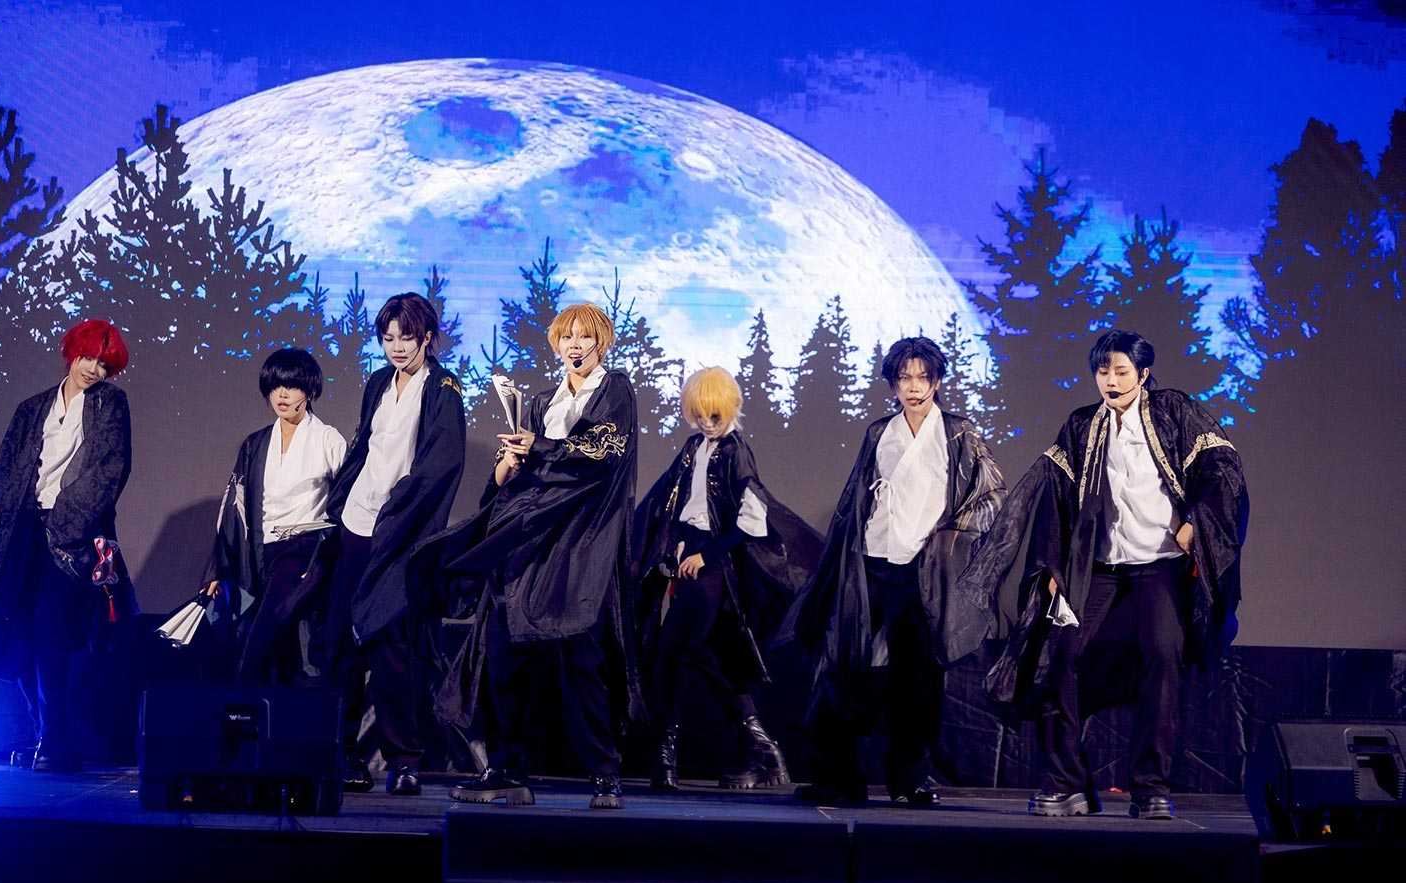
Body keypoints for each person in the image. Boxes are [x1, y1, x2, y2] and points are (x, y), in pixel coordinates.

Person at [961, 330, 1248, 820]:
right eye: (1103, 371)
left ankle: (1150, 787)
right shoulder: (1082, 426)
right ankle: (1066, 782)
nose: (1111, 381)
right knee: (1060, 655)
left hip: (1160, 564)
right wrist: (1053, 567)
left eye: (1121, 371)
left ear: (1143, 374)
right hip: (1098, 568)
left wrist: (1196, 522)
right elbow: (1053, 499)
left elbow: (1223, 467)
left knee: (1162, 655)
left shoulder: (1174, 412)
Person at [415, 303, 642, 809]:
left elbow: (600, 454)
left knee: (581, 658)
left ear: (602, 342)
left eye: (586, 337)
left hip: (579, 540)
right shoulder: (541, 402)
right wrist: (510, 463)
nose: (576, 346)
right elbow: (511, 476)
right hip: (527, 537)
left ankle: (605, 773)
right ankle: (506, 768)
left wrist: (537, 446)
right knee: (503, 652)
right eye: (567, 337)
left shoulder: (615, 390)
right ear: (556, 344)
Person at [780, 337, 1004, 805]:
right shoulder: (879, 432)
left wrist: (949, 537)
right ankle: (840, 778)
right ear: (893, 384)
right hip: (872, 561)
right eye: (905, 378)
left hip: (924, 570)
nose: (914, 387)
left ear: (937, 382)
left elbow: (991, 495)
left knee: (918, 677)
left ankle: (910, 779)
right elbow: (855, 499)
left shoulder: (958, 433)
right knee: (848, 668)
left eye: (923, 377)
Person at [0, 318, 137, 772]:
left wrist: (69, 523)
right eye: (87, 357)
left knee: (55, 633)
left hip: (73, 535)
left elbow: (110, 470)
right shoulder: (32, 408)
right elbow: (5, 472)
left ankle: (56, 740)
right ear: (71, 353)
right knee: (16, 631)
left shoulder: (111, 404)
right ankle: (42, 734)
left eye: (103, 363)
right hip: (24, 530)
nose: (93, 369)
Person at [632, 366, 821, 791]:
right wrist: (675, 548)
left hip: (716, 566)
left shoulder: (736, 451)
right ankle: (761, 751)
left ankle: (670, 757)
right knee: (705, 656)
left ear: (730, 408)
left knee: (675, 652)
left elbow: (751, 520)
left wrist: (706, 554)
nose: (706, 422)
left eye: (713, 415)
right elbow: (675, 504)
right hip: (690, 558)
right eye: (699, 414)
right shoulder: (693, 447)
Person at [322, 293, 466, 795]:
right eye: (388, 338)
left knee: (391, 647)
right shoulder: (379, 383)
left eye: (407, 338)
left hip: (400, 532)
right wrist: (343, 500)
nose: (397, 347)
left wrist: (397, 514)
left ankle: (404, 760)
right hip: (356, 525)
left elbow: (441, 465)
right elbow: (365, 447)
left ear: (427, 338)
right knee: (341, 644)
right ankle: (341, 754)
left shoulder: (444, 389)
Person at [205, 348, 346, 684]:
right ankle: (272, 710)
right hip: (262, 551)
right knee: (279, 650)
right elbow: (234, 507)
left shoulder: (328, 439)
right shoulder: (255, 444)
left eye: (292, 386)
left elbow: (347, 500)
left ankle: (240, 701)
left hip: (306, 549)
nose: (282, 394)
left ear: (309, 390)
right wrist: (217, 569)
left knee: (261, 637)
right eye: (275, 386)